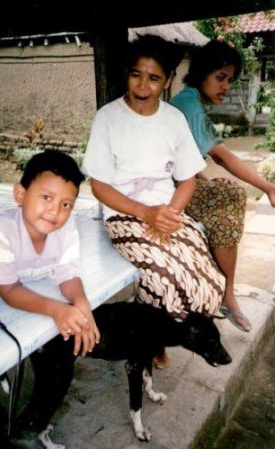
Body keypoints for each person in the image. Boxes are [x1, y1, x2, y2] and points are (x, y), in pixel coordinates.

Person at [82, 35, 226, 369]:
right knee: (164, 278)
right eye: (136, 74)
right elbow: (99, 185)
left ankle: (163, 334)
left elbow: (188, 178)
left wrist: (170, 215)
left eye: (154, 77)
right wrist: (146, 213)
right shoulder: (108, 118)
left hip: (168, 210)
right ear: (127, 74)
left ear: (169, 80)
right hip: (124, 213)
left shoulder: (173, 119)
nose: (143, 86)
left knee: (208, 283)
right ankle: (152, 339)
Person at [0, 149, 100, 430]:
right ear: (20, 195)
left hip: (25, 279)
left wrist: (81, 305)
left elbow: (67, 274)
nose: (56, 211)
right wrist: (57, 309)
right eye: (46, 197)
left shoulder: (65, 229)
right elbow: (8, 289)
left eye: (67, 204)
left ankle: (34, 423)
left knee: (60, 351)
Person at [170, 40, 275, 333]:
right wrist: (268, 187)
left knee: (227, 197)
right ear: (201, 73)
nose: (226, 86)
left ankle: (221, 289)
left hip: (177, 184)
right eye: (220, 77)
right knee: (232, 197)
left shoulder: (189, 101)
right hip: (165, 192)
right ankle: (226, 294)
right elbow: (222, 155)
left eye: (230, 80)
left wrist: (205, 180)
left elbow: (183, 160)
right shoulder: (189, 104)